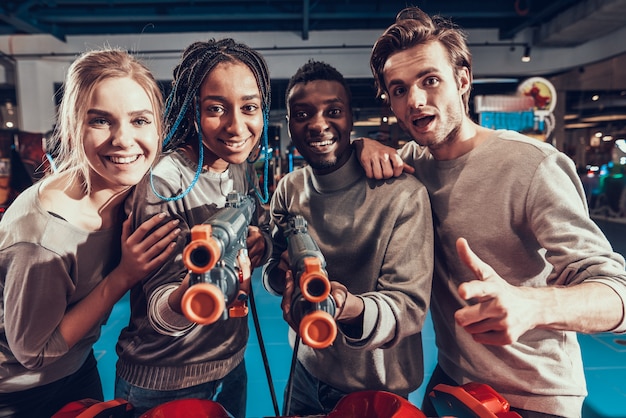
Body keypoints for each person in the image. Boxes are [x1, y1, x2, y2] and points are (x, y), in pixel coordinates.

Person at [355, 7, 626, 418]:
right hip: (452, 379)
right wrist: (359, 146)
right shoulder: (411, 164)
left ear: (462, 81)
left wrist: (532, 306)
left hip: (533, 394)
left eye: (430, 80)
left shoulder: (532, 165)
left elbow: (618, 291)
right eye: (398, 89)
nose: (415, 100)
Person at [0, 48, 180, 418]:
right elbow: (32, 353)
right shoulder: (43, 240)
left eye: (140, 120)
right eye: (101, 121)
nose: (124, 139)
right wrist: (123, 277)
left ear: (159, 128)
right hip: (19, 392)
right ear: (72, 128)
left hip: (77, 367)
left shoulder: (130, 192)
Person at [262, 59, 433, 416]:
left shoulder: (402, 194)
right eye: (303, 113)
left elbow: (409, 306)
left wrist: (344, 305)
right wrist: (281, 272)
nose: (318, 124)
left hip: (378, 389)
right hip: (306, 372)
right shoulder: (289, 188)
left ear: (351, 119)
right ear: (290, 123)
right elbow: (274, 274)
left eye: (333, 111)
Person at [114, 38, 273, 418]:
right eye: (216, 108)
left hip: (230, 363)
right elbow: (160, 310)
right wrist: (195, 290)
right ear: (191, 110)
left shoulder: (240, 167)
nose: (237, 126)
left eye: (249, 108)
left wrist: (257, 244)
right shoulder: (164, 181)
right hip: (165, 379)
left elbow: (263, 226)